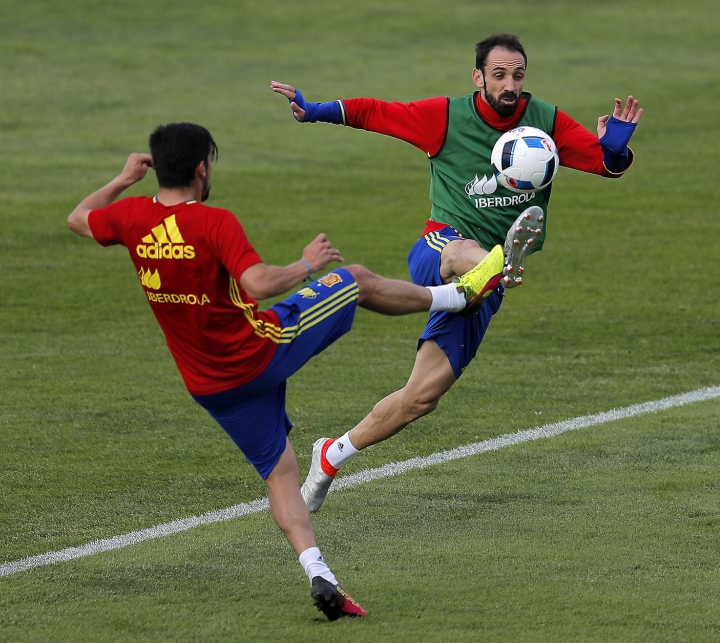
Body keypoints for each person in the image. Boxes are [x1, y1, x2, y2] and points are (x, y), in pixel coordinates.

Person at [66, 122, 502, 620]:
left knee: (280, 472)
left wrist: (122, 180)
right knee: (354, 279)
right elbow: (256, 284)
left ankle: (320, 574)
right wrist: (305, 263)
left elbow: (79, 218)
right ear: (202, 168)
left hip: (209, 385)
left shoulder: (130, 218)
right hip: (261, 351)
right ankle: (459, 294)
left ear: (157, 168)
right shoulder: (212, 222)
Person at [271, 32, 643, 512]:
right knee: (465, 253)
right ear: (478, 77)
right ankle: (494, 265)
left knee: (421, 398)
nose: (510, 84)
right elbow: (377, 113)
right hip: (440, 250)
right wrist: (314, 108)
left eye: (518, 75)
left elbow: (605, 166)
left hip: (487, 283)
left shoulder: (544, 122)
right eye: (500, 74)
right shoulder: (445, 117)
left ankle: (332, 454)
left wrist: (614, 148)